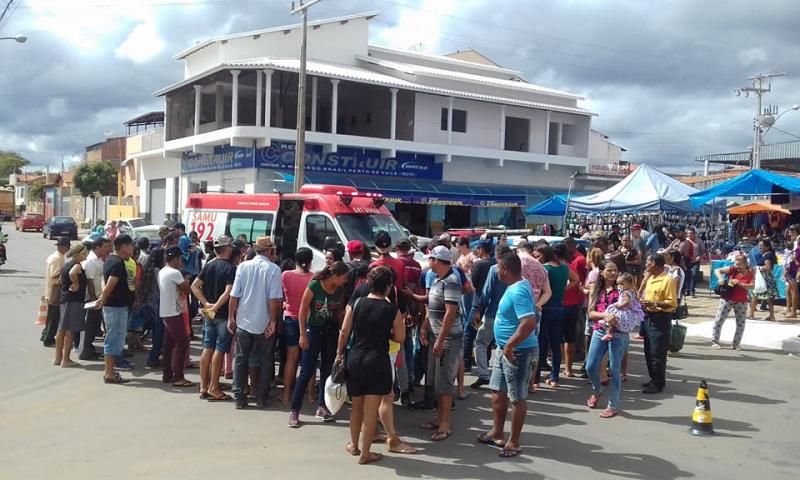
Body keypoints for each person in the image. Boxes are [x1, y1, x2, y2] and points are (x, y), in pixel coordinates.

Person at [336, 266, 407, 465]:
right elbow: (400, 337)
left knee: (356, 406)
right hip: (378, 360)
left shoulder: (357, 303)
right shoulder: (392, 309)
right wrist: (387, 333)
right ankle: (366, 453)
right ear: (388, 287)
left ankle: (354, 445)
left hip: (356, 357)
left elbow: (344, 331)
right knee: (370, 410)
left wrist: (339, 353)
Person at [478, 253, 538, 458]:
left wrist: (510, 344)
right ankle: (497, 432)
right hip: (506, 350)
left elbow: (529, 322)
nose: (496, 271)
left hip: (518, 351)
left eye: (498, 268)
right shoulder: (518, 285)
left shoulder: (518, 291)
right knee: (497, 391)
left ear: (504, 269)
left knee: (517, 397)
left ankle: (514, 441)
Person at [288, 261, 349, 427]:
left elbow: (339, 312)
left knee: (327, 371)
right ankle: (295, 409)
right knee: (307, 371)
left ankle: (322, 406)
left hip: (330, 334)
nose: (346, 280)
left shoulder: (340, 290)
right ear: (334, 275)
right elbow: (302, 309)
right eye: (344, 277)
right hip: (313, 332)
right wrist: (302, 334)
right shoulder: (315, 285)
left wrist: (341, 334)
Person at [228, 236, 283, 410]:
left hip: (244, 321)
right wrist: (273, 321)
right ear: (270, 251)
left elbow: (234, 296)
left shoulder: (243, 267)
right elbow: (274, 299)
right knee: (266, 361)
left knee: (241, 360)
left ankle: (239, 397)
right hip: (264, 322)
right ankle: (261, 397)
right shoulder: (273, 269)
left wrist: (231, 317)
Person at [419, 245, 463, 442]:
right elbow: (433, 305)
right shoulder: (438, 279)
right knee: (437, 381)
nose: (429, 263)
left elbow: (450, 312)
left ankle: (445, 424)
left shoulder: (452, 281)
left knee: (445, 382)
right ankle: (439, 418)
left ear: (437, 261)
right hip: (438, 336)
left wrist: (441, 339)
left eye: (431, 259)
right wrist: (425, 325)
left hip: (449, 340)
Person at [586, 267, 640, 418]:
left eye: (616, 270)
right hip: (599, 329)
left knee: (614, 370)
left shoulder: (623, 290)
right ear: (602, 272)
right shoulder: (597, 290)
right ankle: (597, 390)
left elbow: (631, 304)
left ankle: (613, 405)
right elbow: (590, 313)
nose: (613, 272)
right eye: (609, 270)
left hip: (619, 333)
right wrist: (606, 315)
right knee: (590, 366)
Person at [192, 235, 237, 400]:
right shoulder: (230, 268)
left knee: (207, 347)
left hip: (209, 312)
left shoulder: (209, 265)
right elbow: (229, 292)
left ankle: (203, 386)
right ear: (228, 249)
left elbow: (194, 286)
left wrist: (206, 304)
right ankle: (214, 386)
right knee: (220, 349)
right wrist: (216, 306)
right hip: (222, 313)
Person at [533, 245, 578, 390]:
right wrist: (563, 289)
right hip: (559, 306)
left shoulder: (544, 268)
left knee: (541, 343)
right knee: (556, 343)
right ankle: (554, 377)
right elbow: (576, 279)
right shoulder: (564, 268)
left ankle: (536, 377)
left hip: (545, 306)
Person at [95, 234, 136, 384]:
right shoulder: (117, 263)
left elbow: (103, 281)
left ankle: (110, 371)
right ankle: (109, 373)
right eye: (130, 245)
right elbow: (111, 283)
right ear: (124, 247)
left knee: (114, 340)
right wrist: (102, 299)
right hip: (115, 308)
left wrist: (102, 298)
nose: (132, 248)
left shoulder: (111, 260)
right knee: (113, 340)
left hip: (116, 307)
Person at [279, 247, 314, 404]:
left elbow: (281, 296)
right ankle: (311, 394)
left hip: (290, 319)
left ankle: (286, 394)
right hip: (308, 321)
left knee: (291, 358)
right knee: (309, 359)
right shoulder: (314, 279)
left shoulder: (285, 275)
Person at [641, 254, 677, 394]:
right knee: (649, 351)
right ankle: (653, 379)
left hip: (660, 318)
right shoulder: (650, 278)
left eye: (648, 262)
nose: (646, 264)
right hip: (648, 317)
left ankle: (658, 383)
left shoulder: (667, 280)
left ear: (654, 264)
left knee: (658, 353)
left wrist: (653, 303)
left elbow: (671, 303)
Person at [158, 246, 194, 387]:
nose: (182, 262)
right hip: (174, 312)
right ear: (176, 258)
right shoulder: (175, 273)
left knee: (169, 345)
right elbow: (187, 290)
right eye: (180, 258)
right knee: (182, 342)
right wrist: (187, 283)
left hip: (166, 311)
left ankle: (167, 374)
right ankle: (178, 376)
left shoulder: (162, 271)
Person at [54, 244, 89, 367]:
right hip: (74, 300)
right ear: (78, 254)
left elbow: (60, 280)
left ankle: (58, 358)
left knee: (61, 329)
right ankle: (66, 359)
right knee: (70, 330)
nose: (86, 255)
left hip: (65, 299)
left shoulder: (65, 265)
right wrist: (76, 283)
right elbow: (72, 274)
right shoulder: (76, 265)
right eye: (84, 253)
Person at [711, 253, 754, 350]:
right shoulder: (733, 269)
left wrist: (740, 283)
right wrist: (720, 278)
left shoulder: (750, 273)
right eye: (736, 264)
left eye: (739, 264)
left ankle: (736, 344)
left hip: (742, 300)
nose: (737, 266)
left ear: (745, 264)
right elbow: (717, 270)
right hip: (727, 298)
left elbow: (752, 286)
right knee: (719, 319)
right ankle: (715, 341)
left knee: (741, 323)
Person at [80, 238, 111, 361]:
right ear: (97, 248)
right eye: (105, 247)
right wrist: (94, 300)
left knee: (94, 326)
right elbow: (90, 281)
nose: (107, 250)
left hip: (98, 298)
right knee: (90, 326)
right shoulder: (91, 261)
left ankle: (89, 348)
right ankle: (85, 351)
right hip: (93, 300)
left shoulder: (98, 260)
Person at [561, 237, 585, 378]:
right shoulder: (567, 263)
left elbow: (581, 279)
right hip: (567, 302)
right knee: (565, 335)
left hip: (574, 301)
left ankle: (569, 365)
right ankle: (565, 364)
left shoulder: (579, 260)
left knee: (574, 333)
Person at [599, 273, 644, 342]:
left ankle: (610, 333)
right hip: (626, 310)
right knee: (614, 321)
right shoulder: (631, 291)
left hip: (622, 310)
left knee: (612, 319)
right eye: (618, 284)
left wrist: (619, 306)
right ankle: (610, 332)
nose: (619, 286)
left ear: (629, 284)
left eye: (622, 284)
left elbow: (627, 302)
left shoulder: (625, 293)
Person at [42, 237, 69, 347]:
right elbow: (54, 273)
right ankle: (48, 339)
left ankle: (45, 335)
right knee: (54, 318)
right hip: (54, 291)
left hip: (53, 290)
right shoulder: (57, 258)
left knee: (51, 318)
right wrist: (66, 271)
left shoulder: (59, 257)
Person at [141, 248, 165, 368]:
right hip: (157, 303)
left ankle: (154, 356)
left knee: (157, 331)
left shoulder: (148, 269)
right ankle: (154, 356)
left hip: (150, 302)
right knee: (158, 332)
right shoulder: (158, 271)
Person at [749, 239, 778, 321]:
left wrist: (757, 268)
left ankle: (751, 314)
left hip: (764, 278)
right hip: (765, 278)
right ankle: (771, 315)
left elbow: (768, 267)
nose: (760, 247)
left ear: (767, 247)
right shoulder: (767, 254)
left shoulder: (767, 255)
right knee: (767, 298)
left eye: (762, 246)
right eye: (759, 246)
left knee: (755, 295)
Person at [784, 225, 800, 318]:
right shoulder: (794, 242)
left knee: (794, 290)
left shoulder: (797, 244)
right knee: (790, 289)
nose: (789, 233)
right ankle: (790, 308)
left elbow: (795, 259)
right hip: (792, 269)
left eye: (791, 231)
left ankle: (793, 310)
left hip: (793, 269)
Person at [685, 227, 706, 297]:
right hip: (687, 261)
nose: (689, 235)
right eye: (688, 233)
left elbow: (703, 250)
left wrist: (700, 256)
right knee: (687, 275)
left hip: (696, 261)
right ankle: (687, 289)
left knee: (694, 274)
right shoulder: (685, 241)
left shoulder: (699, 241)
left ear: (694, 234)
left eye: (691, 233)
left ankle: (692, 290)